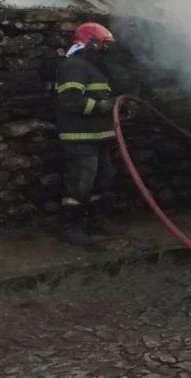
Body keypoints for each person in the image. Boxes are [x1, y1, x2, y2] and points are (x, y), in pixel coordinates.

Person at [54, 22, 123, 246]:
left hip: (98, 137)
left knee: (104, 178)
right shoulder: (74, 66)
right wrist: (100, 106)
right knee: (80, 182)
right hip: (79, 137)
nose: (106, 49)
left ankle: (97, 219)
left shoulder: (94, 68)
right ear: (91, 42)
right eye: (103, 44)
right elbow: (70, 100)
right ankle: (71, 227)